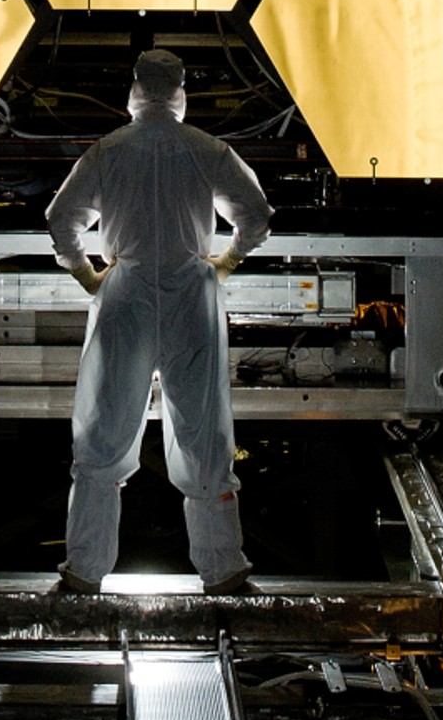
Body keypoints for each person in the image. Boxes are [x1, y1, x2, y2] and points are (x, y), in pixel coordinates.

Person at [44, 49, 272, 595]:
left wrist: (86, 274)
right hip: (192, 291)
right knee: (203, 432)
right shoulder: (207, 150)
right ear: (180, 92)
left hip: (125, 292)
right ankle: (224, 572)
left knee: (102, 433)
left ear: (135, 89)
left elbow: (60, 220)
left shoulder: (107, 152)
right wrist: (228, 260)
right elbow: (256, 215)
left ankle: (83, 574)